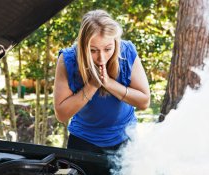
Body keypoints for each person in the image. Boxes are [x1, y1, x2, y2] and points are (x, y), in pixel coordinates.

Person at [53, 10, 150, 154]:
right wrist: (92, 85)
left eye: (108, 49)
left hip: (125, 139)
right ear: (82, 46)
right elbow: (61, 115)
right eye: (93, 50)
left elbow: (144, 102)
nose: (102, 58)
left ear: (115, 43)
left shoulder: (127, 52)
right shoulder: (68, 59)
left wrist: (109, 84)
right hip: (83, 141)